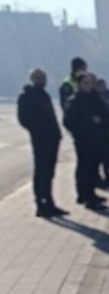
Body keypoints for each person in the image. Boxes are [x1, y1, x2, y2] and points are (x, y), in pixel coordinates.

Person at [17, 69, 69, 217]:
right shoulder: (27, 96)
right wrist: (38, 132)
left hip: (52, 138)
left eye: (43, 78)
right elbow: (24, 119)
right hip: (41, 140)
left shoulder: (44, 95)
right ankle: (40, 204)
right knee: (41, 171)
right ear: (32, 79)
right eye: (38, 78)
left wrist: (56, 135)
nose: (42, 81)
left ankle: (50, 202)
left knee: (49, 172)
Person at [63, 73, 108, 210]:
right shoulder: (74, 101)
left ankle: (92, 193)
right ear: (78, 85)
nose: (88, 86)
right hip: (84, 141)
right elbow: (68, 122)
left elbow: (106, 116)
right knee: (85, 168)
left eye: (90, 83)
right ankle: (85, 196)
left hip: (98, 139)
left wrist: (101, 122)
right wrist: (82, 130)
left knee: (94, 168)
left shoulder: (96, 98)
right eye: (85, 84)